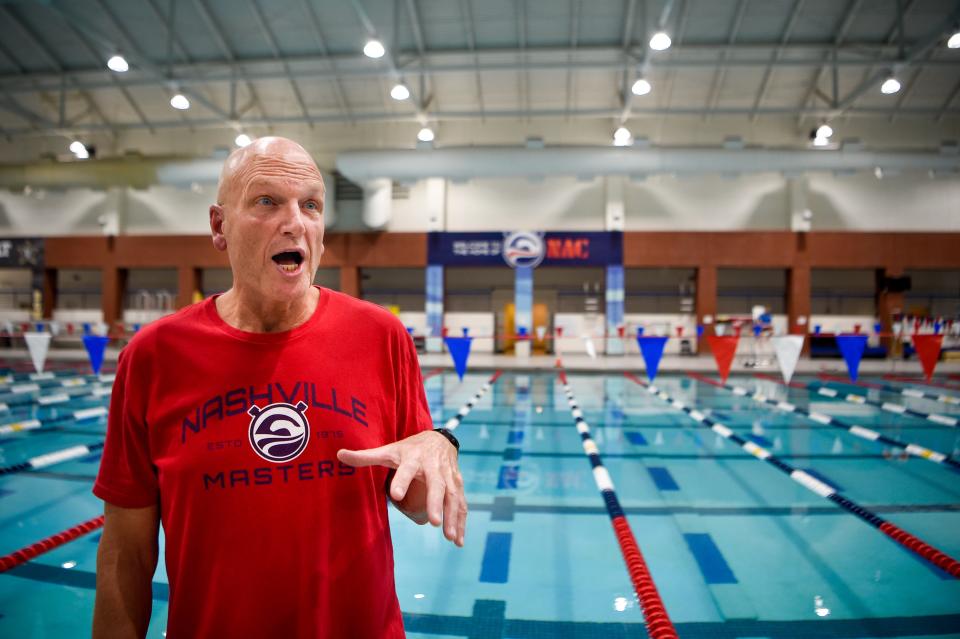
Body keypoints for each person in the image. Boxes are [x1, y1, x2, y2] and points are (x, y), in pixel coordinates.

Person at [92, 137, 466, 639]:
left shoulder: (381, 337)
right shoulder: (154, 355)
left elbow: (416, 505)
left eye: (310, 204)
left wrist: (439, 442)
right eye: (267, 201)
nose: (295, 222)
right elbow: (125, 553)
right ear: (219, 226)